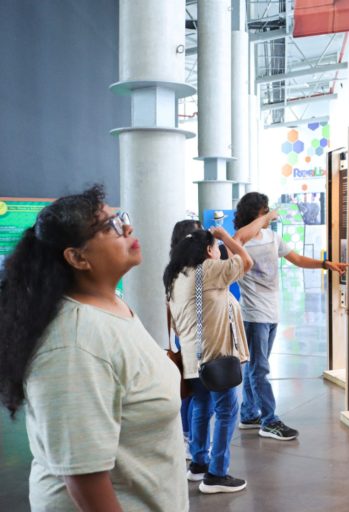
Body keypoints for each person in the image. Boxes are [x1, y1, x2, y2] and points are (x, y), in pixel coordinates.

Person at [0, 185, 188, 511]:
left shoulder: (112, 306)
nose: (127, 227)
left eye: (121, 219)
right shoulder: (74, 345)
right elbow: (85, 479)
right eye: (110, 227)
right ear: (77, 257)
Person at [164, 211, 271, 494]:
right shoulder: (208, 271)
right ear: (208, 250)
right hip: (215, 356)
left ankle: (199, 463)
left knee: (201, 405)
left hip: (191, 356)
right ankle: (217, 474)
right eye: (214, 247)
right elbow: (246, 261)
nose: (218, 251)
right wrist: (226, 237)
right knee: (226, 410)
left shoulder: (176, 276)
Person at [233, 192, 349, 440]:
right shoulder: (239, 243)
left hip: (271, 312)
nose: (269, 216)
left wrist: (324, 264)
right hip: (254, 316)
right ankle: (269, 420)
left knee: (255, 367)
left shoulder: (272, 237)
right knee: (259, 369)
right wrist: (265, 217)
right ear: (256, 214)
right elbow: (240, 236)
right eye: (264, 211)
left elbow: (296, 259)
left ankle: (248, 413)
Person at [169, 219, 203, 458]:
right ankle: (193, 443)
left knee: (190, 392)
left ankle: (186, 436)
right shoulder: (194, 273)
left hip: (186, 337)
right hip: (196, 339)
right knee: (198, 395)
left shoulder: (174, 270)